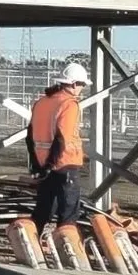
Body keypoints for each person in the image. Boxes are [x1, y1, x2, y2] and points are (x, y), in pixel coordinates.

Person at [26, 60, 91, 229]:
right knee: (68, 212)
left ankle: (32, 243)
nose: (82, 89)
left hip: (43, 163)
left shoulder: (41, 102)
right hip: (64, 163)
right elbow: (63, 137)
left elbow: (30, 135)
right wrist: (51, 164)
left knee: (43, 210)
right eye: (82, 84)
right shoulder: (69, 104)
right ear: (74, 84)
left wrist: (38, 164)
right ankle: (66, 246)